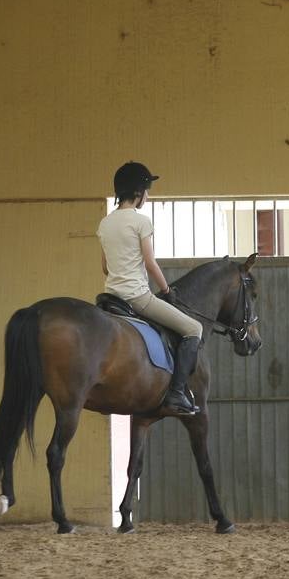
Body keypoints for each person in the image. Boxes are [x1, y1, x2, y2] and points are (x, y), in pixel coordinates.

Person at [97, 162, 203, 415]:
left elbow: (104, 267)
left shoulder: (105, 224)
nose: (149, 194)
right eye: (147, 190)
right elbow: (150, 262)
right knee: (193, 328)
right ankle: (176, 392)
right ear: (138, 192)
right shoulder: (141, 221)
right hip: (137, 298)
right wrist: (166, 290)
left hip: (110, 297)